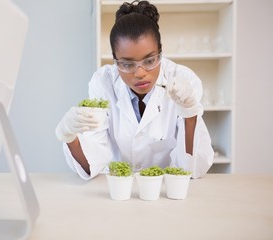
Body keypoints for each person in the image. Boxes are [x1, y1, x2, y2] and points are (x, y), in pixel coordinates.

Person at [55, 0, 214, 180]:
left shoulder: (183, 79)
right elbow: (94, 162)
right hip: (117, 189)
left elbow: (193, 170)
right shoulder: (103, 82)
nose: (140, 73)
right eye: (127, 64)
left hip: (163, 192)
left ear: (160, 53)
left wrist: (190, 112)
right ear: (115, 61)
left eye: (149, 60)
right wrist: (70, 137)